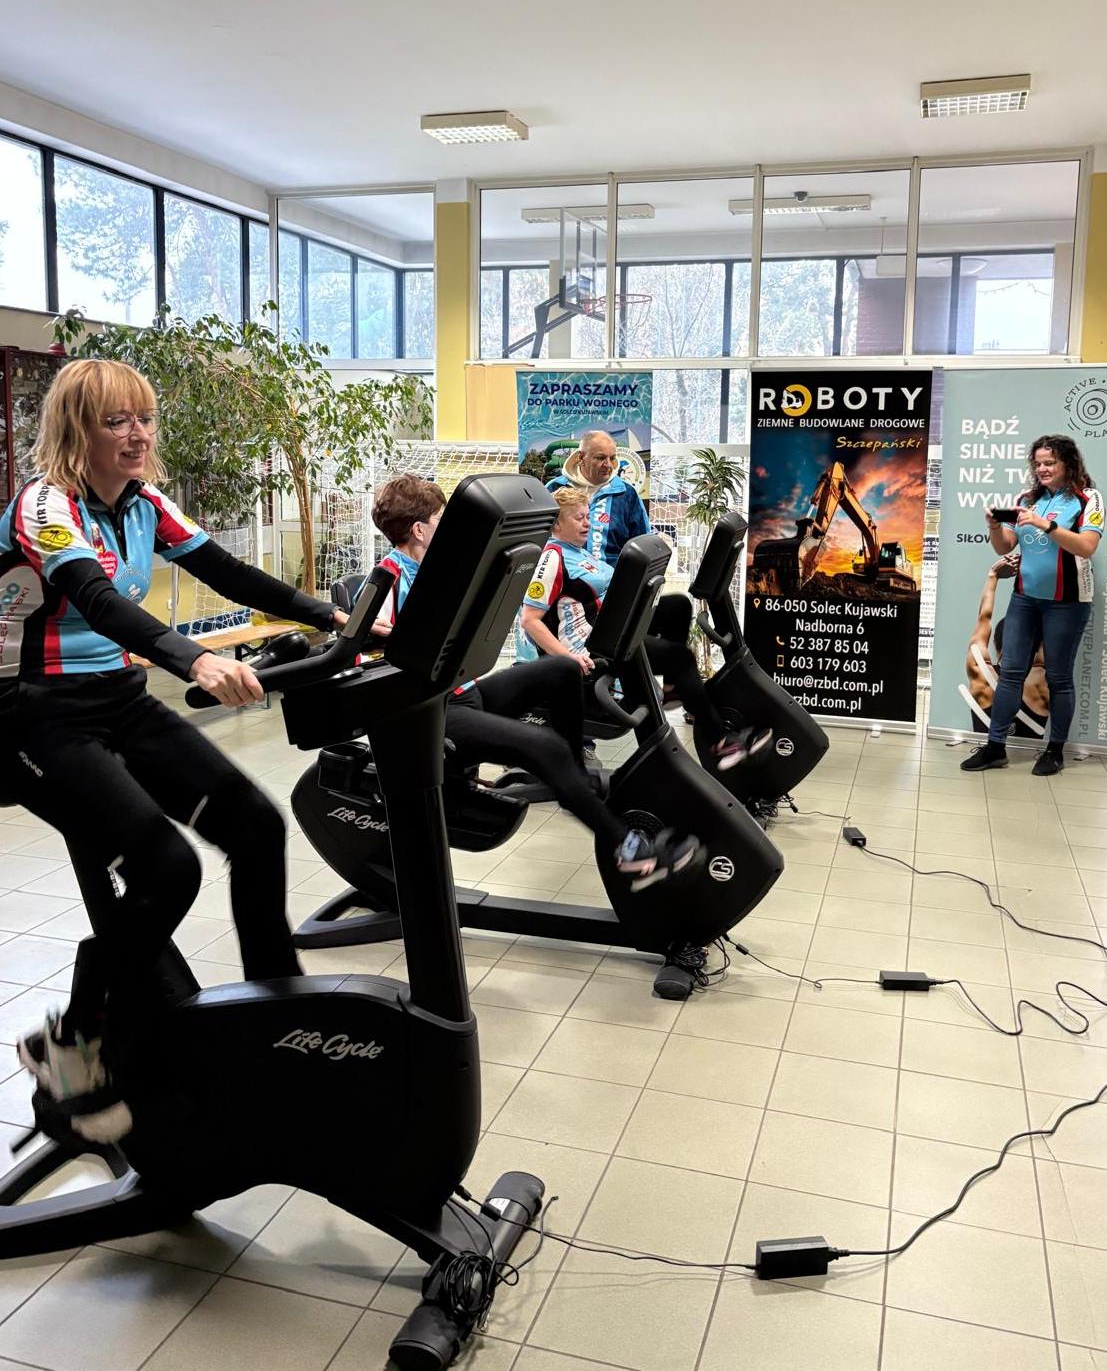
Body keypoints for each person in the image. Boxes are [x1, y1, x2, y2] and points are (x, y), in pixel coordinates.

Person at [0, 359, 347, 1143]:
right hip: (31, 712)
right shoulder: (44, 505)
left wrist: (330, 616)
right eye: (116, 421)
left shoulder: (143, 501)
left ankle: (276, 1012)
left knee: (253, 826)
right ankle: (71, 1039)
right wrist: (193, 660)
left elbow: (223, 570)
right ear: (77, 430)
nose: (137, 435)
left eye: (144, 418)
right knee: (167, 868)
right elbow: (97, 598)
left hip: (116, 698)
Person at [369, 475, 702, 890]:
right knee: (544, 745)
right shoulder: (390, 577)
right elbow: (372, 650)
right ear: (420, 530)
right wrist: (381, 636)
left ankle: (574, 778)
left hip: (465, 693)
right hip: (432, 713)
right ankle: (629, 851)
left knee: (560, 670)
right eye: (441, 518)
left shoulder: (433, 570)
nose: (447, 526)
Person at [519, 488, 770, 775]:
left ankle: (673, 689)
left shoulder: (577, 551)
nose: (587, 523)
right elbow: (530, 620)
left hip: (606, 628)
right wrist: (568, 658)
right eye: (579, 518)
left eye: (588, 516)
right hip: (590, 649)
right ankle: (722, 743)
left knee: (677, 606)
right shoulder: (551, 558)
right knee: (680, 658)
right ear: (557, 524)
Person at [961, 434, 1102, 776]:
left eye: (1049, 462)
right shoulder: (1027, 499)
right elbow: (1004, 546)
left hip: (1067, 602)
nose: (1042, 468)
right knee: (1010, 672)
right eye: (1037, 463)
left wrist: (1046, 525)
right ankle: (995, 747)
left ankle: (1054, 751)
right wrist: (995, 527)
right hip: (1025, 599)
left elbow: (1086, 547)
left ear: (1068, 463)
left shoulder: (1088, 498)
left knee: (1058, 677)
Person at [962, 553, 1048, 740]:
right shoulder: (1040, 679)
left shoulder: (981, 672)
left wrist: (993, 576)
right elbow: (1045, 628)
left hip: (986, 751)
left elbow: (983, 618)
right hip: (1027, 755)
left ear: (997, 645)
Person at [545, 430, 649, 567]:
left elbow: (643, 545)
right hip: (563, 577)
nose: (608, 465)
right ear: (581, 457)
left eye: (612, 458)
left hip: (612, 579)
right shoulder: (554, 489)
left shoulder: (626, 494)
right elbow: (539, 539)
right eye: (600, 458)